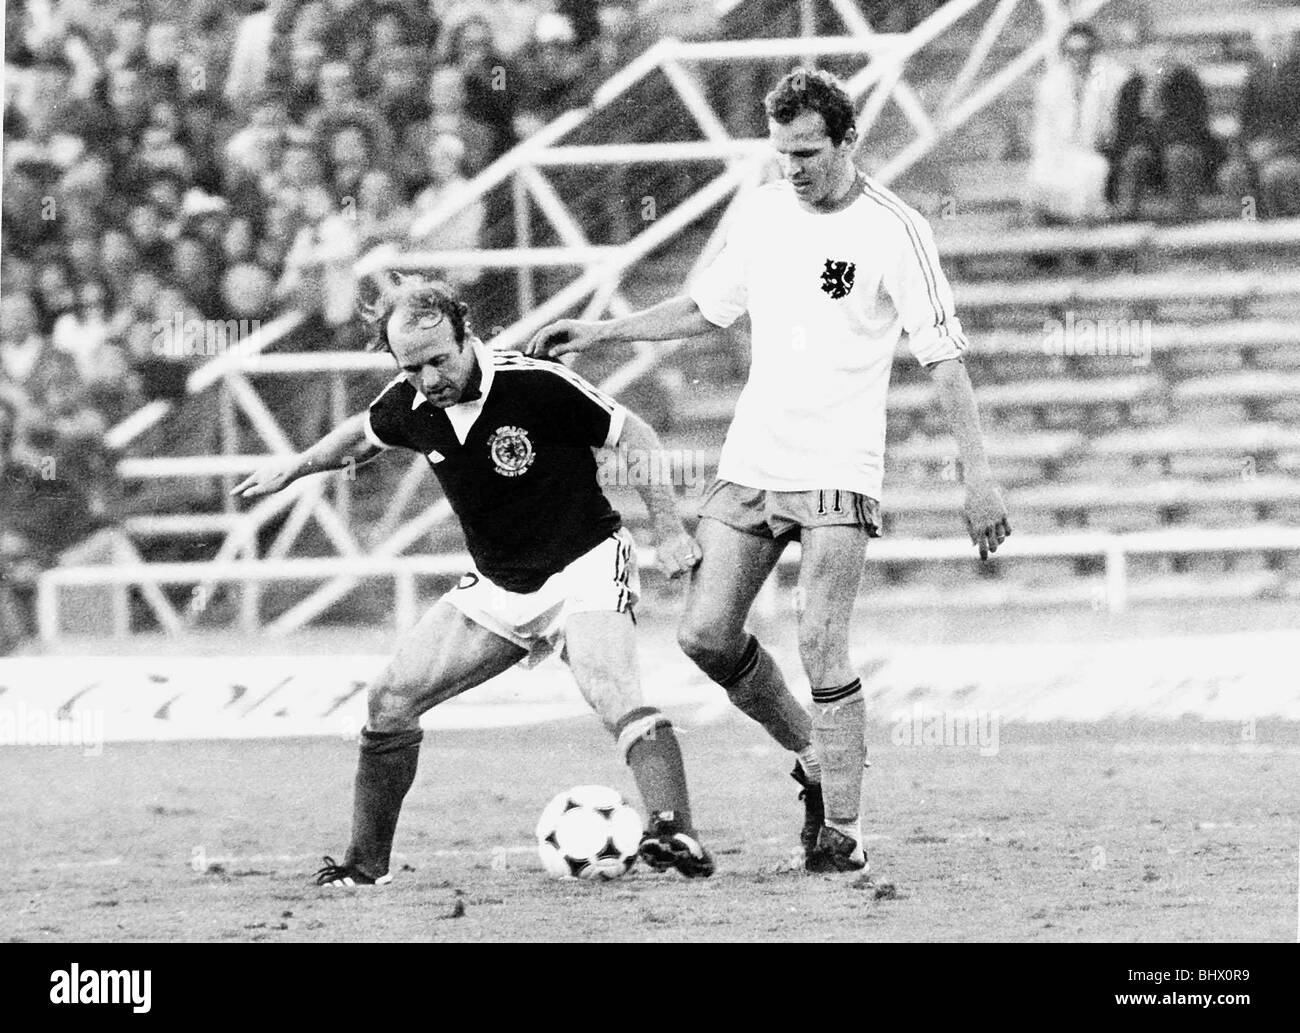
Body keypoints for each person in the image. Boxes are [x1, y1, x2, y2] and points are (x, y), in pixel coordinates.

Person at [527, 68, 1010, 874]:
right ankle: (815, 753)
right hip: (753, 461)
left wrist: (978, 477)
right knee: (704, 635)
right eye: (783, 151)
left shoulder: (896, 230)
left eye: (810, 151)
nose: (794, 167)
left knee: (822, 639)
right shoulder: (761, 210)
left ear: (849, 141)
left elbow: (946, 360)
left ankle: (844, 834)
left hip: (839, 469)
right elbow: (701, 309)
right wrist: (598, 331)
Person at [231, 279, 716, 884]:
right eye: (412, 367)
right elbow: (360, 435)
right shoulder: (409, 403)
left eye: (439, 360)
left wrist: (667, 529)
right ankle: (363, 868)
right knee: (390, 700)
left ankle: (673, 830)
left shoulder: (534, 384)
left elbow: (634, 435)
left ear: (467, 336)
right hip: (497, 586)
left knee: (611, 692)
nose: (429, 379)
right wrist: (293, 469)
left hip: (584, 564)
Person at [1026, 22, 1127, 224]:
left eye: (1084, 51)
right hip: (1059, 153)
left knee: (1091, 172)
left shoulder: (1107, 77)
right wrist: (1051, 154)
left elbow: (1111, 120)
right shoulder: (1053, 83)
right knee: (1039, 173)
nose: (1078, 57)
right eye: (1072, 52)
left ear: (1093, 51)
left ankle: (1083, 233)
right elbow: (1043, 129)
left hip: (1093, 152)